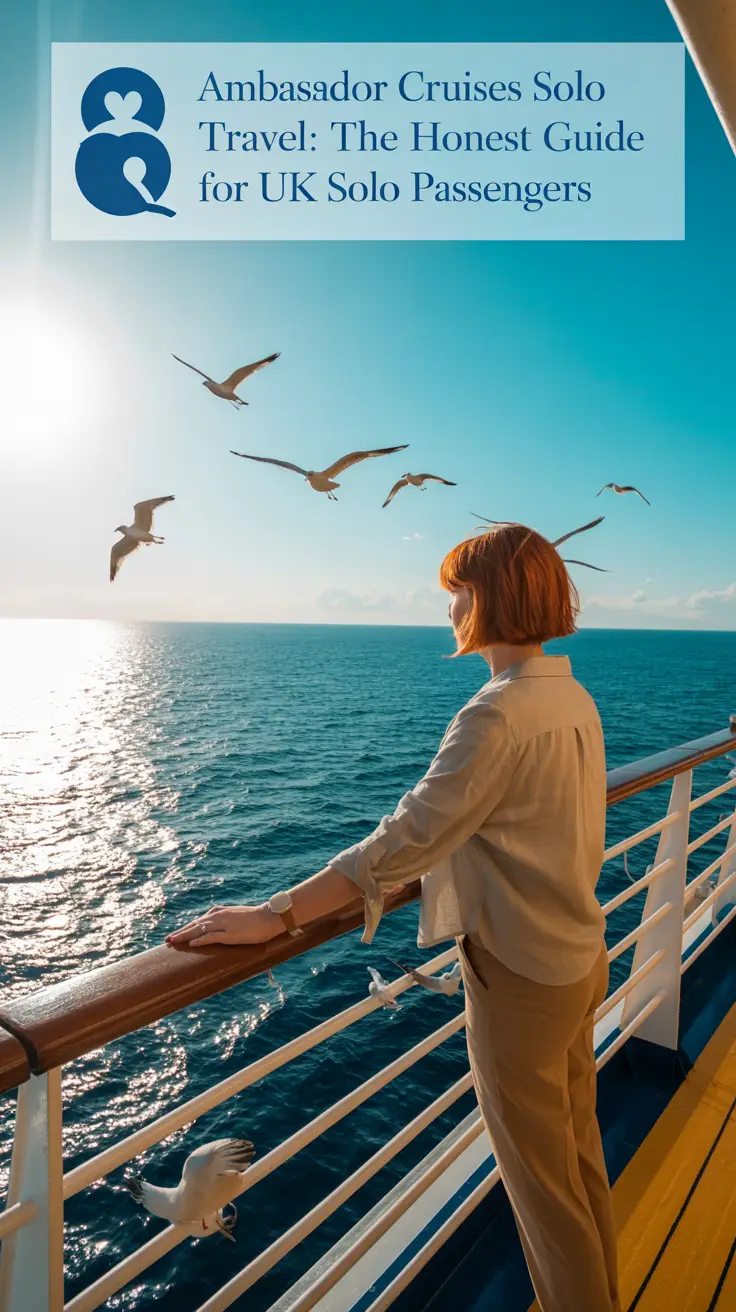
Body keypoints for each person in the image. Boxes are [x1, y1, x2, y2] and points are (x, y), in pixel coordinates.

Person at [167, 522, 619, 1312]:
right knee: (579, 1163)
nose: (450, 606)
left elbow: (403, 839)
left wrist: (279, 914)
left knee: (546, 1200)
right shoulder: (569, 694)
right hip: (579, 956)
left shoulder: (497, 714)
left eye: (459, 590)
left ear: (493, 599)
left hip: (521, 979)